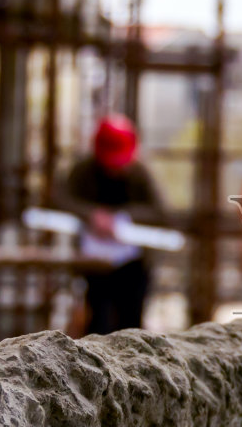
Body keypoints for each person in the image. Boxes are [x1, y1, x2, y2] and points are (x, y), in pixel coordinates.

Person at [56, 114, 167, 334]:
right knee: (99, 320)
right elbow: (61, 200)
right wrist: (92, 215)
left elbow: (160, 212)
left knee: (130, 322)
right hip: (95, 261)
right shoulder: (83, 171)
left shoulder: (140, 174)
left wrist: (119, 218)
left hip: (134, 263)